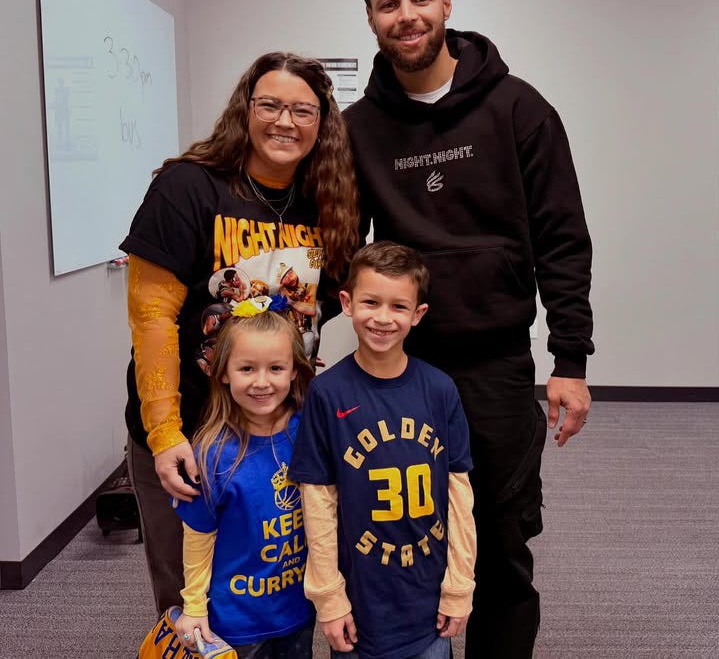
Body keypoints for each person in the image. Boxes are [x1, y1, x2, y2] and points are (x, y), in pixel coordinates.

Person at [342, 0, 594, 658]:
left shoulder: (520, 109)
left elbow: (562, 241)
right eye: (388, 3)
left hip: (496, 369)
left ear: (447, 5)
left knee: (500, 550)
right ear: (371, 19)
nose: (407, 14)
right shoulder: (357, 132)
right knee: (401, 542)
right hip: (398, 369)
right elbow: (337, 246)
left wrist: (569, 359)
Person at [121, 51, 359, 614]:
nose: (285, 121)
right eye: (270, 105)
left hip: (279, 435)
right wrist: (163, 434)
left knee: (273, 589)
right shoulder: (188, 187)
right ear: (244, 111)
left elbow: (318, 313)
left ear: (322, 123)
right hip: (192, 431)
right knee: (191, 596)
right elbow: (151, 318)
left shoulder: (329, 201)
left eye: (303, 110)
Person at [289, 242, 476, 659]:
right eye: (371, 302)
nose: (383, 318)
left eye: (398, 306)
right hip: (361, 608)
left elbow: (459, 495)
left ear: (417, 314)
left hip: (428, 607)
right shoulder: (327, 393)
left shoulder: (440, 390)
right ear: (347, 303)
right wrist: (329, 597)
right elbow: (317, 502)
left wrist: (460, 585)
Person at [172, 306, 315, 657]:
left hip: (299, 611)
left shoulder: (308, 432)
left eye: (276, 368)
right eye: (247, 368)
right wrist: (194, 606)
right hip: (237, 623)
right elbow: (198, 539)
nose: (262, 382)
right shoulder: (212, 454)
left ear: (294, 370)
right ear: (223, 373)